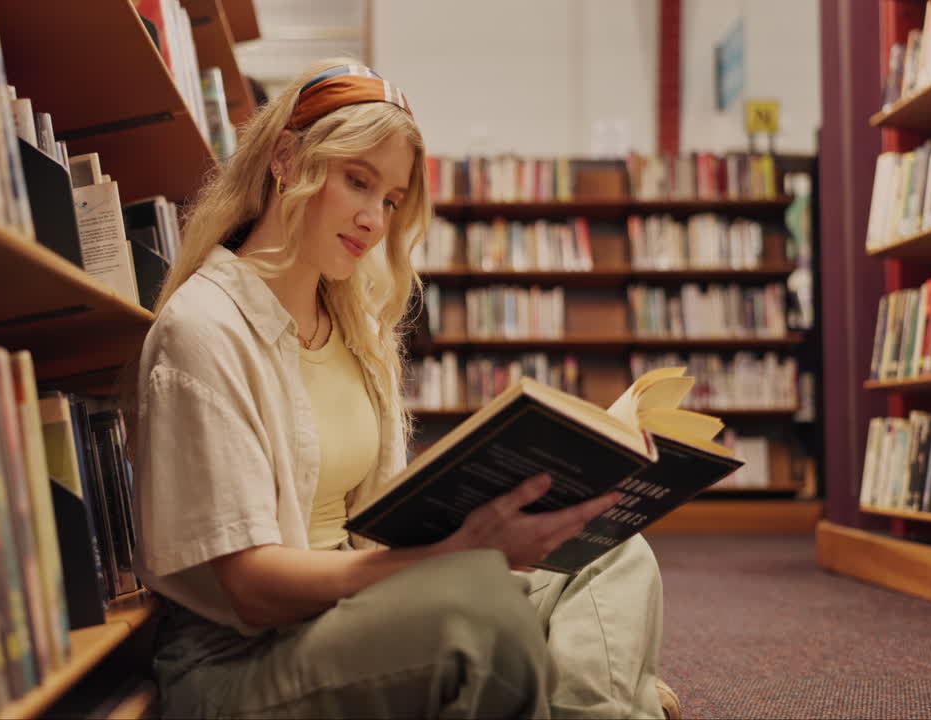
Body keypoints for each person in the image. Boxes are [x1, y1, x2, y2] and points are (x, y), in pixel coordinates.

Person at [128, 58, 677, 719]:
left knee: (611, 553)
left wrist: (491, 523)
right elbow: (252, 589)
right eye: (358, 181)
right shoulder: (204, 327)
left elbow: (384, 525)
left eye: (390, 200)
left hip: (359, 607)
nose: (374, 219)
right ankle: (597, 693)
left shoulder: (356, 327)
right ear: (283, 159)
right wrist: (448, 561)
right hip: (242, 656)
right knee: (481, 614)